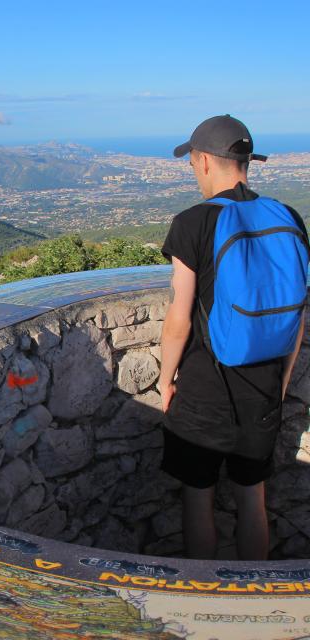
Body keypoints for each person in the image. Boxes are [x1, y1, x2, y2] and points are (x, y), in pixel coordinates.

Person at [158, 115, 308, 561]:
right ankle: (254, 597)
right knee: (252, 500)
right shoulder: (288, 216)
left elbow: (179, 318)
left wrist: (166, 380)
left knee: (198, 499)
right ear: (246, 162)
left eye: (192, 163)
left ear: (204, 161)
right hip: (263, 387)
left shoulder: (192, 223)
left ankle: (202, 601)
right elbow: (297, 316)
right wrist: (280, 385)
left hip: (206, 386)